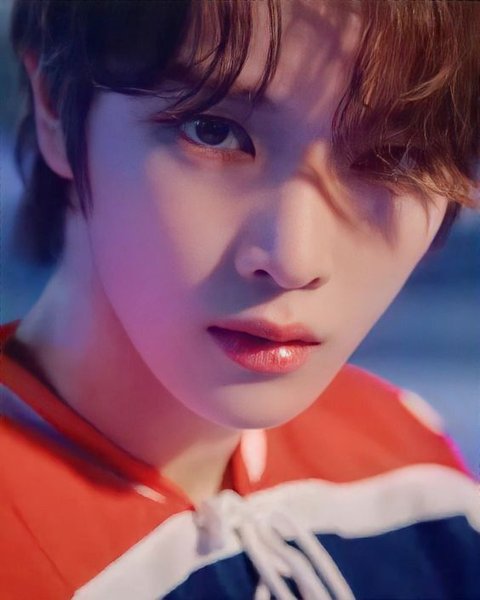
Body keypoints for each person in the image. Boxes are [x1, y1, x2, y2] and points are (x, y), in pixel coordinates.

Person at [1, 1, 479, 598]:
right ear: (53, 105)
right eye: (213, 130)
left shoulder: (417, 478)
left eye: (395, 153)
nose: (293, 259)